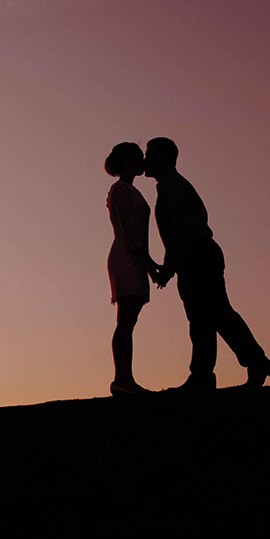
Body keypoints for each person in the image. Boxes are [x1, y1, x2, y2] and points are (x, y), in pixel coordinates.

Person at [144, 137, 270, 389]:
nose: (144, 160)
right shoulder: (174, 185)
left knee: (210, 314)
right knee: (210, 315)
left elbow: (182, 231)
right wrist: (171, 265)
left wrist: (169, 268)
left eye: (149, 155)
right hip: (198, 255)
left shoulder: (171, 186)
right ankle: (215, 372)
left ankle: (213, 372)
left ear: (162, 158)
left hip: (198, 256)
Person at [104, 142, 160, 396]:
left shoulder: (128, 190)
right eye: (139, 157)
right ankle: (122, 380)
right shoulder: (121, 190)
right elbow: (130, 232)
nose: (143, 162)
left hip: (134, 257)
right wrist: (150, 265)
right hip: (127, 257)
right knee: (126, 320)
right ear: (128, 160)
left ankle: (125, 379)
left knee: (129, 320)